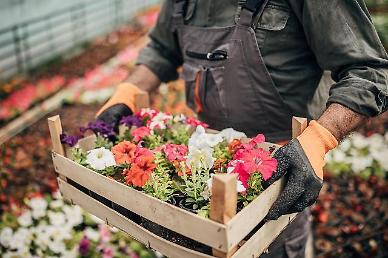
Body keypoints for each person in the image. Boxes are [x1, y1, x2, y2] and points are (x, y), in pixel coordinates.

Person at [97, 0, 388, 257]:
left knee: (277, 248)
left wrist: (320, 139)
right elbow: (161, 49)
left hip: (280, 168)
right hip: (206, 160)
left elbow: (368, 71)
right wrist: (127, 92)